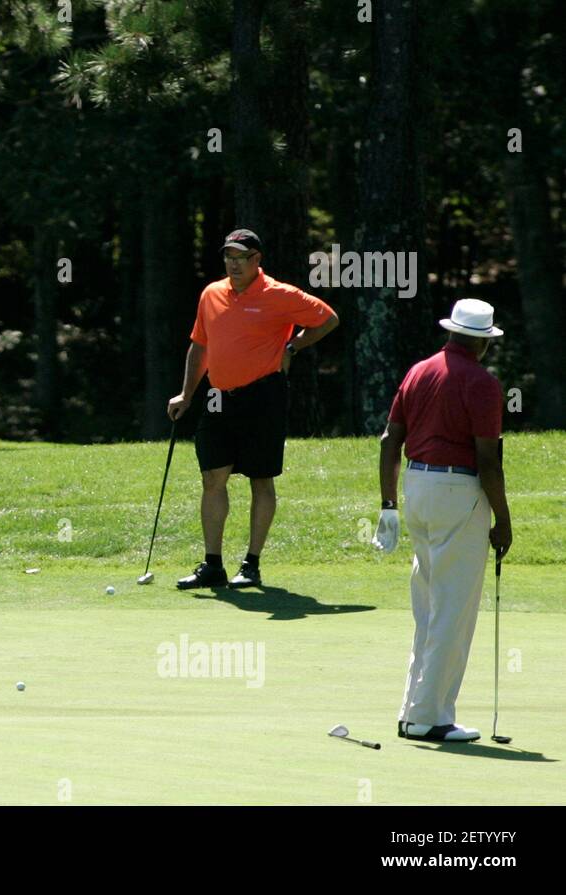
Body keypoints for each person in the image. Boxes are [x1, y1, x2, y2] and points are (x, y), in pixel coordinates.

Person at [167, 229, 339, 589]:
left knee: (261, 479)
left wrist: (293, 348)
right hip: (217, 396)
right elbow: (200, 347)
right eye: (228, 256)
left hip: (264, 395)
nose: (233, 263)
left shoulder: (279, 294)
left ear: (256, 260)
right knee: (212, 477)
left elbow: (328, 319)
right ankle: (212, 564)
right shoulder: (211, 293)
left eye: (240, 257)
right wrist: (186, 394)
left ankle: (252, 563)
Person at [373, 298, 510, 742]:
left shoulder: (419, 371)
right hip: (458, 491)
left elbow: (390, 441)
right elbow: (488, 460)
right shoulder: (482, 383)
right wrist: (503, 521)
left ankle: (414, 708)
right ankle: (428, 717)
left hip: (417, 488)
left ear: (452, 333)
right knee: (453, 608)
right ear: (482, 343)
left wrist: (388, 503)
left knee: (430, 606)